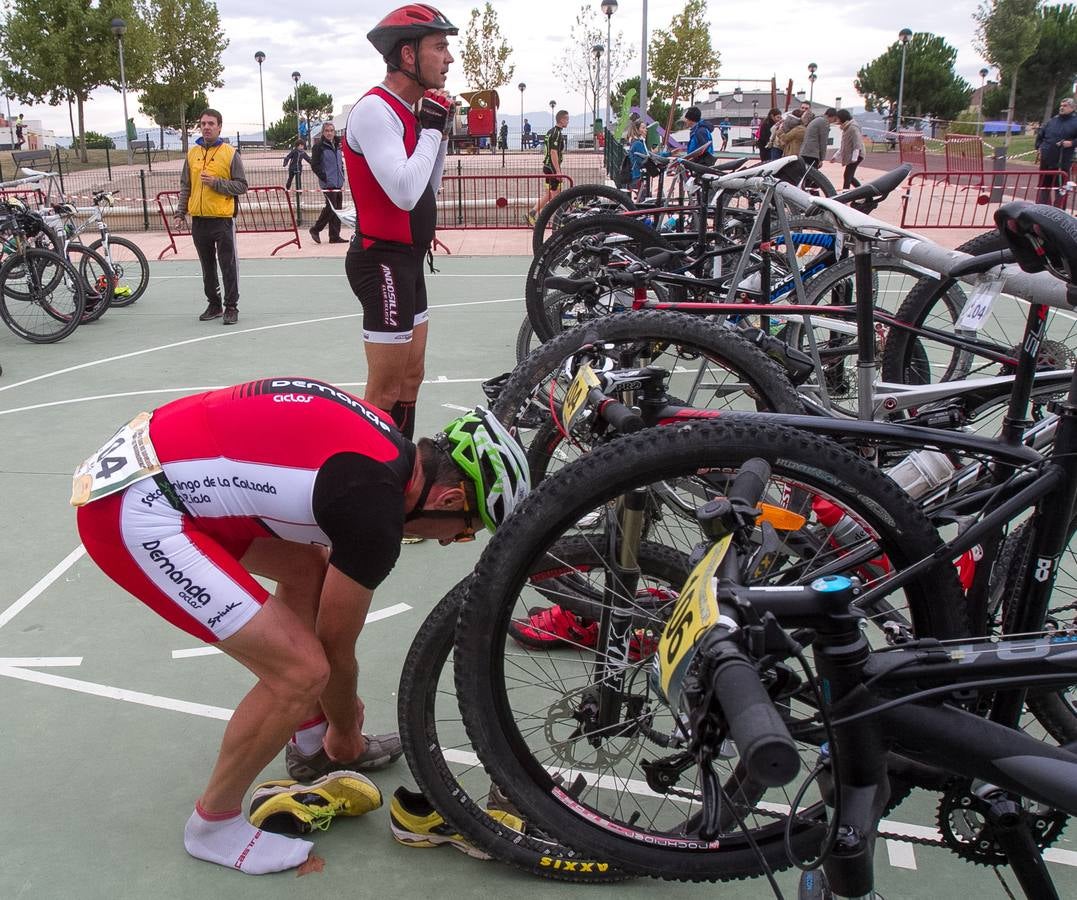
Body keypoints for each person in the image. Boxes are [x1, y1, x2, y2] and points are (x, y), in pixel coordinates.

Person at [71, 380, 531, 875]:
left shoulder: (387, 447)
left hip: (157, 466)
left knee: (308, 571)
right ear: (447, 498)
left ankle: (309, 742)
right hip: (133, 510)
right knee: (301, 672)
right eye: (464, 530)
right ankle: (215, 825)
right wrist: (346, 734)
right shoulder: (373, 512)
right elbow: (335, 647)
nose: (449, 543)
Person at [342, 4, 457, 442]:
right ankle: (368, 483)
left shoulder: (411, 112)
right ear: (408, 56)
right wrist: (430, 131)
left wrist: (439, 134)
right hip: (382, 260)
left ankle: (402, 472)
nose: (448, 59)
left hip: (409, 259)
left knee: (412, 377)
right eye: (440, 47)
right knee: (384, 390)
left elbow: (429, 184)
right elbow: (404, 192)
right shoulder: (375, 111)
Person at [174, 109, 248, 326]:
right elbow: (186, 186)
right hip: (199, 220)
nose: (206, 127)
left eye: (211, 123)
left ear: (219, 127)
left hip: (222, 219)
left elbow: (242, 185)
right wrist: (180, 212)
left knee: (228, 265)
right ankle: (214, 304)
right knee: (207, 266)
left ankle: (231, 306)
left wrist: (216, 183)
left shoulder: (230, 153)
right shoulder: (192, 154)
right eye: (203, 123)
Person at [525, 108, 569, 226]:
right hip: (551, 168)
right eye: (567, 119)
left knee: (549, 194)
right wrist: (558, 171)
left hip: (548, 167)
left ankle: (532, 213)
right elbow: (553, 152)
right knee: (557, 198)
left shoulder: (551, 132)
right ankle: (558, 221)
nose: (568, 122)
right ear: (561, 120)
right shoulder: (556, 133)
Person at [309, 123, 347, 244]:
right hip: (328, 183)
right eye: (327, 131)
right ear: (323, 132)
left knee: (338, 209)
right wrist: (324, 177)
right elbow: (314, 165)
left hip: (338, 182)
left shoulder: (338, 145)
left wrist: (342, 174)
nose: (329, 133)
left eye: (331, 130)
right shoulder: (319, 147)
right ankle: (315, 229)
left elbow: (339, 163)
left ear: (334, 132)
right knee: (330, 209)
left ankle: (334, 236)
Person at [1036, 97, 1077, 206]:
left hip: (1062, 161)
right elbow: (1040, 135)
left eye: (1065, 106)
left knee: (1061, 189)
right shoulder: (1052, 121)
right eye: (1061, 105)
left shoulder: (1075, 122)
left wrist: (1072, 143)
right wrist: (1039, 147)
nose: (1061, 108)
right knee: (1044, 187)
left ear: (1072, 108)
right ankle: (1042, 211)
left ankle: (1058, 213)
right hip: (1046, 160)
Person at [835, 109, 864, 189]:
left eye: (838, 118)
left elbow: (857, 142)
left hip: (857, 155)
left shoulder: (853, 127)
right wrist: (836, 155)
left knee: (847, 176)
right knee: (849, 177)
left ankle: (845, 195)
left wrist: (854, 157)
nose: (836, 120)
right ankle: (864, 194)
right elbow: (844, 144)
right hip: (851, 155)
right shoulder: (845, 128)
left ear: (842, 118)